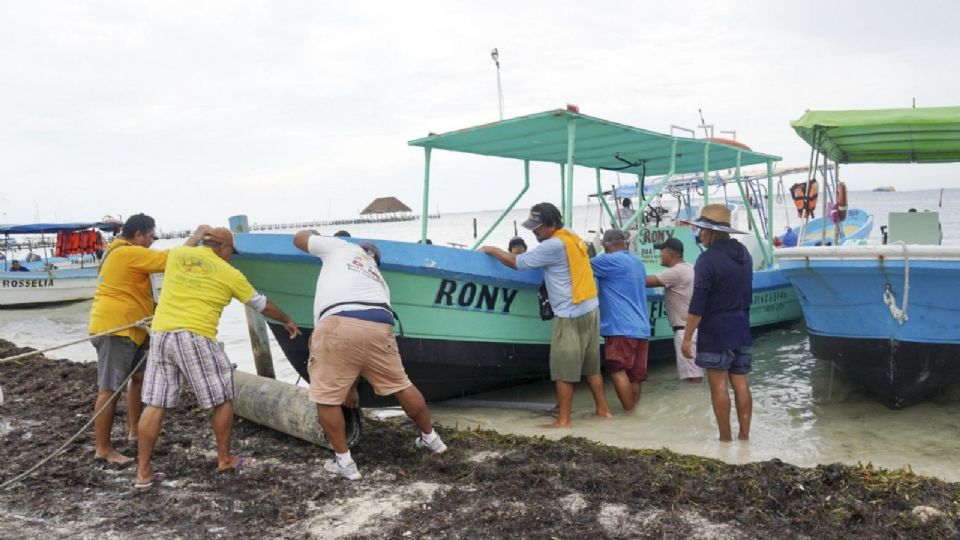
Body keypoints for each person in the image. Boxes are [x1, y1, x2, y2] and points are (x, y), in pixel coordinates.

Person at [135, 227, 301, 488]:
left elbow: (181, 252)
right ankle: (224, 459)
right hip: (195, 335)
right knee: (222, 396)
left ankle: (143, 473)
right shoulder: (228, 273)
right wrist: (288, 319)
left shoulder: (179, 254)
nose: (231, 257)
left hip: (161, 334)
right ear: (223, 248)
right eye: (231, 252)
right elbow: (260, 304)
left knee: (156, 403)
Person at [293, 231, 447, 480]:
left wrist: (317, 237)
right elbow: (357, 350)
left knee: (327, 397)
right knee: (402, 384)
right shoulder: (378, 279)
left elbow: (299, 239)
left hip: (338, 322)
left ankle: (345, 463)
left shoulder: (341, 247)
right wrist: (351, 387)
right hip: (380, 324)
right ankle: (432, 439)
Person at [480, 202, 612, 428]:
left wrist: (490, 250)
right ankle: (603, 411)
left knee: (563, 371)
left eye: (538, 227)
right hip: (590, 309)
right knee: (591, 368)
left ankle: (563, 421)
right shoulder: (570, 235)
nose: (534, 232)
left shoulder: (552, 245)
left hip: (570, 314)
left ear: (551, 224)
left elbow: (517, 262)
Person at [88, 214, 201, 465]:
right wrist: (197, 237)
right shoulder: (125, 252)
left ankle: (134, 432)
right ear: (138, 234)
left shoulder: (122, 252)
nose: (151, 242)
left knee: (138, 379)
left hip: (133, 328)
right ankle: (103, 449)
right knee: (109, 390)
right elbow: (167, 259)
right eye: (150, 237)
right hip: (115, 329)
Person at [679, 204, 753, 442]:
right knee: (740, 382)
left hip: (716, 330)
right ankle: (744, 437)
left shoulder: (706, 260)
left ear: (711, 232)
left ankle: (725, 439)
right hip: (742, 326)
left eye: (702, 230)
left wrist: (687, 338)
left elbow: (698, 303)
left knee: (718, 385)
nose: (700, 234)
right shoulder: (744, 254)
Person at [590, 229, 650, 411]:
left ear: (606, 246)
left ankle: (629, 414)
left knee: (617, 370)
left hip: (620, 327)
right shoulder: (638, 262)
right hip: (642, 327)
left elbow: (578, 264)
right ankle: (633, 412)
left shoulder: (606, 260)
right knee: (635, 376)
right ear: (626, 243)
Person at [646, 237, 701, 383]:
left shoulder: (676, 272)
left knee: (692, 377)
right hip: (692, 329)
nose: (660, 255)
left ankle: (693, 404)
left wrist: (621, 275)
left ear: (670, 254)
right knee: (693, 373)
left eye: (661, 252)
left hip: (684, 331)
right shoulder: (689, 267)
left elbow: (648, 282)